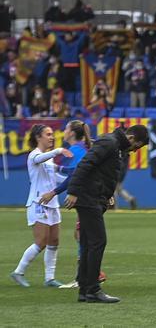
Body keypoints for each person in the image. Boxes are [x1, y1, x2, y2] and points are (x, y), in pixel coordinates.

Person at [63, 123, 150, 303]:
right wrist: (73, 191)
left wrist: (108, 194)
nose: (134, 151)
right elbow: (86, 164)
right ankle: (93, 289)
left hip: (94, 197)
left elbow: (102, 172)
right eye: (136, 147)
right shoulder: (110, 143)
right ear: (131, 138)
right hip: (88, 198)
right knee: (98, 241)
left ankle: (85, 290)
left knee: (88, 242)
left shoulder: (114, 145)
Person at [11, 124, 71, 288]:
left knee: (54, 240)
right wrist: (59, 150)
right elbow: (39, 160)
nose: (51, 137)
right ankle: (19, 272)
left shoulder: (48, 158)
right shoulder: (34, 156)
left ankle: (49, 278)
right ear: (38, 137)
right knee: (41, 241)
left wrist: (73, 175)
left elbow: (56, 179)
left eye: (52, 134)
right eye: (48, 134)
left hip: (52, 203)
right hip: (38, 203)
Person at [39, 120, 95, 290]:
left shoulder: (75, 150)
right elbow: (73, 171)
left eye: (66, 129)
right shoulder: (80, 149)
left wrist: (53, 192)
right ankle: (87, 274)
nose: (63, 131)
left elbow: (75, 176)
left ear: (71, 133)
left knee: (83, 235)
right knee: (81, 235)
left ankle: (85, 276)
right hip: (89, 196)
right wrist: (57, 168)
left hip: (86, 197)